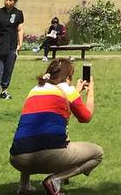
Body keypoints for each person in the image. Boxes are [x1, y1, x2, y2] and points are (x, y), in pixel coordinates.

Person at [9, 57, 101, 195]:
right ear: (68, 77)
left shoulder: (36, 89)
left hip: (17, 158)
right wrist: (91, 93)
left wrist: (75, 91)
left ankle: (24, 185)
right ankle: (56, 180)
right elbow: (85, 117)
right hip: (48, 156)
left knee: (30, 133)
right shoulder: (69, 91)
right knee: (97, 154)